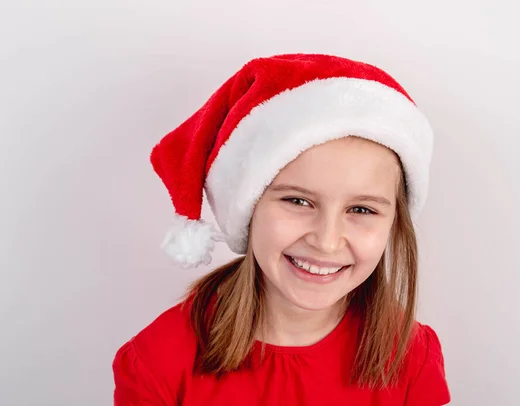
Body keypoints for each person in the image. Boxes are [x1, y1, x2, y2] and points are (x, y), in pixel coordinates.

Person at [112, 53, 451, 405]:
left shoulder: (411, 356)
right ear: (248, 208)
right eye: (298, 201)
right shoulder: (158, 363)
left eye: (361, 209)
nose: (327, 241)